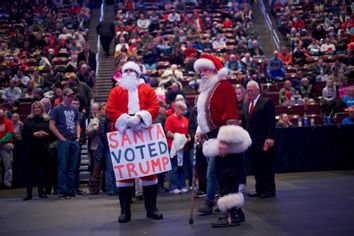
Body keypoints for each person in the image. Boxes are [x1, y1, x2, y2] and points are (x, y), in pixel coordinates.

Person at [194, 54, 251, 227]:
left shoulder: (223, 86)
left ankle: (230, 216)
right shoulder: (208, 90)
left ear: (214, 70)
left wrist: (225, 140)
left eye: (206, 69)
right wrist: (201, 131)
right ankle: (236, 212)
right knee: (225, 175)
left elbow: (231, 114)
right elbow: (205, 117)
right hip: (213, 137)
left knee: (227, 176)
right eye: (201, 70)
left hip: (223, 137)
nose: (203, 73)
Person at [106, 61, 163, 223]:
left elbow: (155, 107)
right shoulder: (116, 91)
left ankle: (152, 209)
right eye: (126, 70)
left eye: (132, 70)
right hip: (124, 134)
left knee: (149, 172)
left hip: (144, 132)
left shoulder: (147, 89)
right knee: (125, 173)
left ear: (138, 74)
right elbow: (111, 110)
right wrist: (127, 120)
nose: (129, 72)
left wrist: (139, 117)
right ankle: (125, 211)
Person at [242, 80, 276, 199]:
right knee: (256, 166)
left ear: (258, 90)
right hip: (251, 142)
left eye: (251, 90)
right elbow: (245, 124)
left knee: (266, 166)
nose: (249, 92)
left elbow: (271, 122)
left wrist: (270, 137)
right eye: (248, 90)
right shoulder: (246, 104)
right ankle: (259, 189)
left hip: (264, 141)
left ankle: (269, 190)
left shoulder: (266, 102)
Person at [49, 88, 81, 199]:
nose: (70, 98)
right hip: (64, 140)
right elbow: (51, 125)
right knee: (63, 167)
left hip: (73, 139)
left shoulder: (74, 109)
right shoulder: (57, 109)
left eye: (72, 96)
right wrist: (61, 138)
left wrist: (78, 137)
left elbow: (77, 124)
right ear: (63, 96)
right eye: (68, 96)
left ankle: (71, 190)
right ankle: (63, 191)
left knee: (73, 167)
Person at [22, 102, 53, 200]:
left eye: (38, 107)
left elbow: (52, 133)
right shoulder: (28, 120)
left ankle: (41, 192)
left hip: (43, 148)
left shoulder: (47, 119)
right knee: (29, 171)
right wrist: (33, 134)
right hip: (30, 149)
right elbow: (24, 134)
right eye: (34, 108)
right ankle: (29, 194)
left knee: (42, 170)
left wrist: (46, 134)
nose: (36, 109)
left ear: (42, 108)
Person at [165, 101, 191, 194]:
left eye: (184, 110)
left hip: (183, 147)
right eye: (182, 110)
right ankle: (173, 186)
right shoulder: (170, 119)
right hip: (173, 147)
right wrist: (178, 137)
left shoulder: (185, 119)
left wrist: (188, 137)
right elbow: (168, 133)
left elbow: (187, 131)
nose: (183, 112)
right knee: (174, 167)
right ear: (176, 109)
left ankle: (182, 185)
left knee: (182, 167)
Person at [0, 109, 14, 189]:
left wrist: (1, 141)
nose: (1, 118)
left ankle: (7, 182)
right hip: (5, 146)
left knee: (7, 165)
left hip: (5, 145)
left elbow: (9, 134)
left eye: (2, 116)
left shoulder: (8, 122)